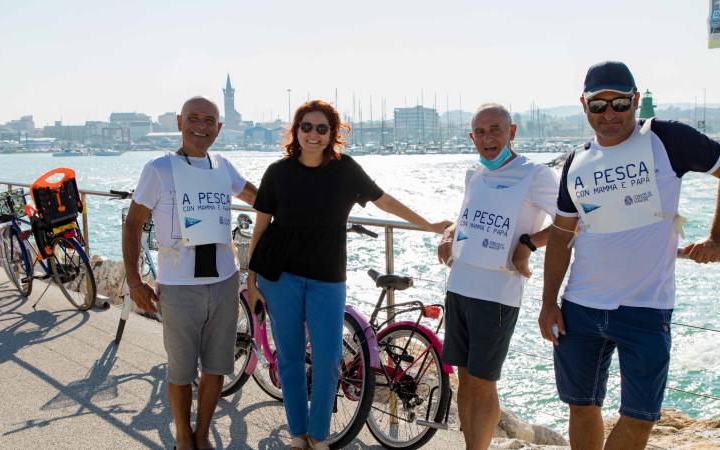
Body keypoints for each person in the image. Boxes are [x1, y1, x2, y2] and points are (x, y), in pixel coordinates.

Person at [246, 100, 450, 450]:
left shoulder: (346, 171)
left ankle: (319, 436)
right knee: (291, 357)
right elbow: (261, 227)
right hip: (280, 278)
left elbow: (385, 202)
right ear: (296, 131)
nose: (313, 134)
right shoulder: (278, 173)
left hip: (327, 278)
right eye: (306, 127)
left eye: (321, 128)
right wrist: (251, 281)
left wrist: (429, 226)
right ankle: (298, 434)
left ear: (332, 134)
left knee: (327, 360)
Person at [538, 61, 720, 450]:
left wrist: (716, 237)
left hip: (646, 310)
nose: (609, 115)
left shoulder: (668, 139)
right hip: (579, 309)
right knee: (582, 407)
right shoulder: (576, 160)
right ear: (583, 106)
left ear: (636, 101)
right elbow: (559, 237)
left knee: (640, 417)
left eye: (619, 103)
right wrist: (548, 302)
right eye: (598, 105)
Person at [123, 96, 257, 450]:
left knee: (217, 366)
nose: (201, 126)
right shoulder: (159, 168)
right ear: (180, 121)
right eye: (193, 118)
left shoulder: (223, 165)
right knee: (180, 369)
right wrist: (135, 280)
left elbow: (257, 197)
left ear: (219, 127)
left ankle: (202, 434)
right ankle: (183, 436)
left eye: (209, 120)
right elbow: (134, 223)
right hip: (180, 286)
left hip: (225, 281)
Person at [437, 103, 559, 450]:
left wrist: (529, 244)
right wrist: (449, 235)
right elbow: (463, 217)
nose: (488, 138)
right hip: (458, 285)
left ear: (512, 132)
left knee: (483, 381)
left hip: (497, 294)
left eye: (496, 129)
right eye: (481, 132)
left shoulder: (535, 174)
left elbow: (573, 218)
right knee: (464, 378)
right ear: (471, 136)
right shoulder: (474, 173)